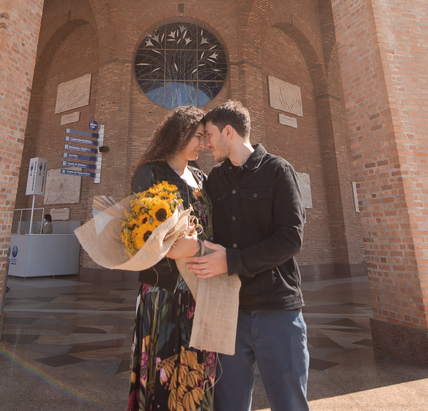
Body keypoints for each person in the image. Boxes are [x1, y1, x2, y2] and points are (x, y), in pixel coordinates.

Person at [187, 100, 308, 411]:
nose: (206, 143)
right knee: (228, 405)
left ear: (228, 132)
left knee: (289, 403)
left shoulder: (278, 170)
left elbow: (290, 239)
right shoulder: (215, 179)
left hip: (277, 311)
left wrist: (232, 261)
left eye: (209, 135)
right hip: (229, 311)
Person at [127, 105, 216, 411]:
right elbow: (140, 232)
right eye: (198, 136)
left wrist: (200, 246)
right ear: (179, 133)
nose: (203, 143)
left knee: (196, 371)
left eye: (205, 137)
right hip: (163, 289)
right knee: (163, 370)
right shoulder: (151, 172)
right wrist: (173, 247)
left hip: (198, 287)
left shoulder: (202, 177)